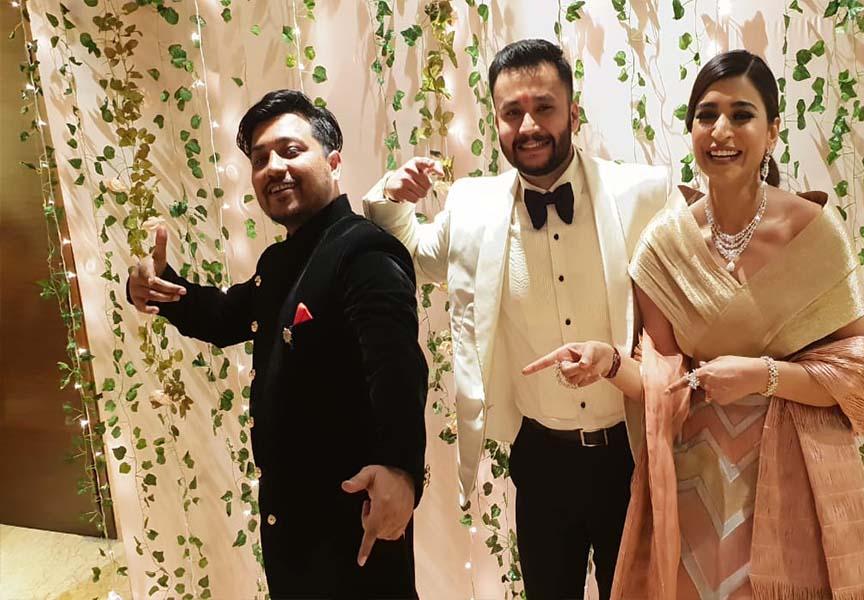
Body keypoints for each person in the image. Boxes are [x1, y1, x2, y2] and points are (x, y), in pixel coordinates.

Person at [526, 50, 864, 599]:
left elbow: (862, 378)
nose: (721, 131)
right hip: (699, 484)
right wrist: (608, 362)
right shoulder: (665, 245)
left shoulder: (813, 233)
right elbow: (662, 385)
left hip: (800, 479)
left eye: (741, 114)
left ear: (772, 130)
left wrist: (762, 376)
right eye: (706, 115)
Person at [362, 39, 674, 600]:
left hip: (630, 455)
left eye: (544, 107)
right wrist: (392, 198)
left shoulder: (643, 193)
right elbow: (412, 259)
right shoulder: (471, 205)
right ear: (497, 121)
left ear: (573, 112)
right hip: (540, 459)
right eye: (512, 112)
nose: (529, 126)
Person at [126, 89, 428, 599]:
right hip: (291, 522)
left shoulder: (362, 249)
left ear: (333, 162)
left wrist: (400, 469)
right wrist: (161, 288)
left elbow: (396, 365)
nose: (273, 168)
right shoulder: (279, 262)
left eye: (290, 151)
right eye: (260, 159)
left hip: (353, 516)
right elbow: (226, 317)